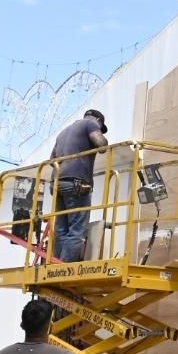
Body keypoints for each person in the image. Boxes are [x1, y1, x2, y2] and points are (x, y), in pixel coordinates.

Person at [48, 109, 108, 262]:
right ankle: (63, 268)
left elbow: (51, 159)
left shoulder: (63, 132)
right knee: (76, 230)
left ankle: (55, 266)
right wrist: (103, 139)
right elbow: (101, 145)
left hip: (58, 185)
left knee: (61, 229)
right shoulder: (91, 123)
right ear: (98, 120)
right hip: (77, 184)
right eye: (101, 127)